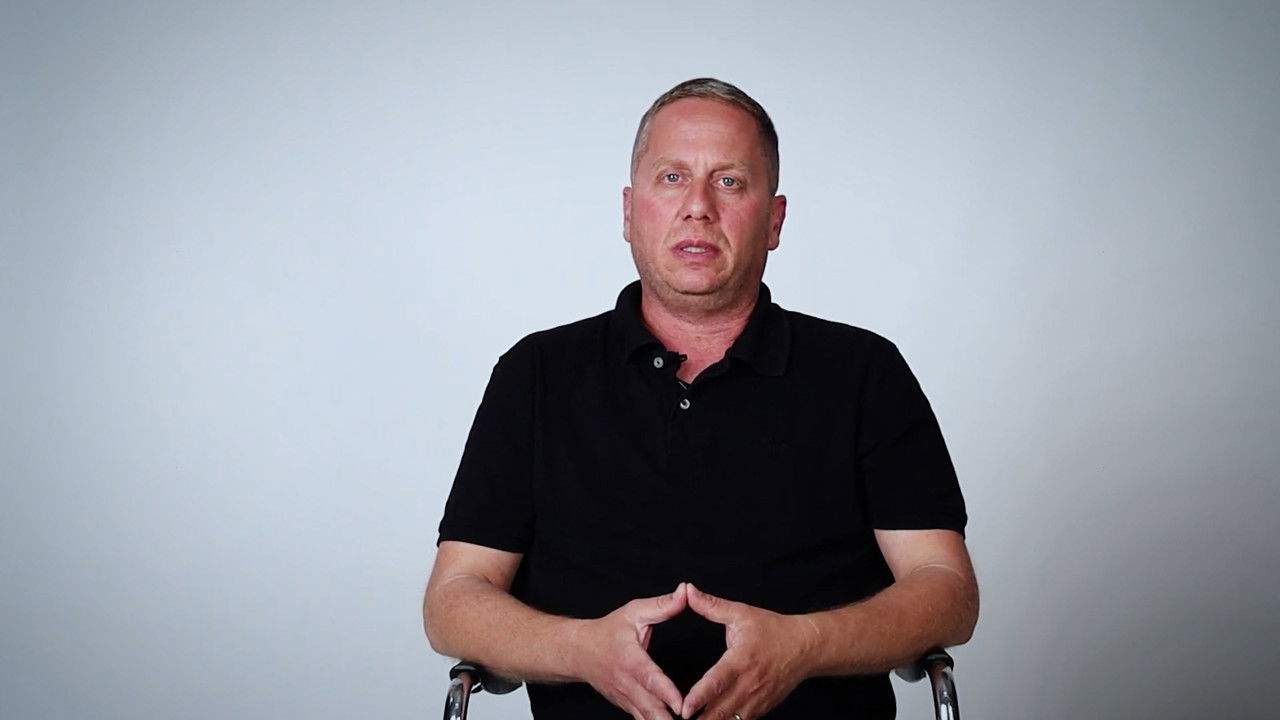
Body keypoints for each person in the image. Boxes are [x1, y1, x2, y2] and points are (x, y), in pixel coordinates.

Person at [423, 78, 978, 720]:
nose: (698, 208)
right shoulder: (536, 374)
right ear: (629, 212)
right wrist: (582, 650)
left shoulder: (864, 371)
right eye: (672, 178)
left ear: (774, 221)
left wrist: (802, 646)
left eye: (730, 182)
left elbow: (947, 590)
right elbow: (453, 601)